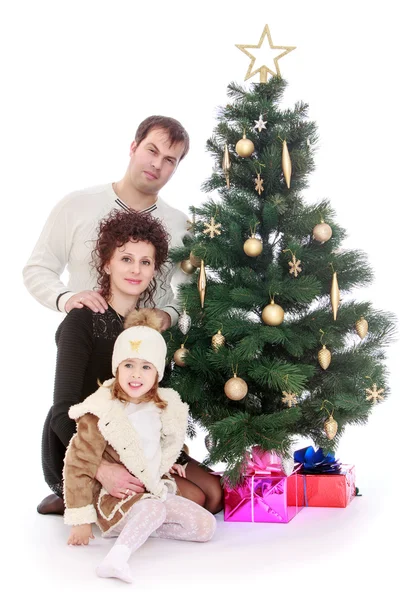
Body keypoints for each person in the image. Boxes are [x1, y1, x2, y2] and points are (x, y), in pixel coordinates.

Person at [40, 209, 223, 517]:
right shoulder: (82, 320)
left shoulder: (148, 327)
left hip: (139, 439)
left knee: (215, 497)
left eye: (145, 262)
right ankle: (79, 494)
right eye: (126, 259)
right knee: (195, 500)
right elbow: (62, 410)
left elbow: (154, 401)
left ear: (154, 270)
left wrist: (169, 457)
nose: (135, 270)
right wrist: (101, 468)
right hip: (84, 443)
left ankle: (138, 486)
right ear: (108, 263)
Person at [64, 308, 216, 583]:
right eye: (129, 365)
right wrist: (80, 521)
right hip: (119, 498)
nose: (136, 375)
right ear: (117, 368)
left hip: (154, 491)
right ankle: (116, 559)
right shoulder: (101, 411)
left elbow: (156, 445)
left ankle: (142, 527)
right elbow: (77, 464)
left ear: (157, 373)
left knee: (205, 526)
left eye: (146, 367)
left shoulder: (162, 406)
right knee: (153, 509)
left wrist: (169, 464)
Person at [23, 115, 191, 329]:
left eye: (169, 160)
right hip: (86, 344)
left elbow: (193, 292)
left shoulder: (180, 224)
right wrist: (66, 298)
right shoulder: (77, 204)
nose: (157, 164)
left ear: (176, 168)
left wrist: (169, 315)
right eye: (152, 150)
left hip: (153, 353)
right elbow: (38, 268)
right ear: (133, 147)